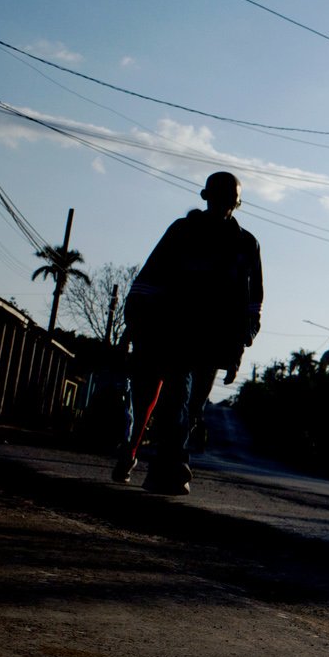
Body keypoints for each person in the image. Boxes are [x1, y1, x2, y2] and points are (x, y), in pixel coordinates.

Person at [112, 172, 263, 494]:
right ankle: (168, 467)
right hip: (174, 333)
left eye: (229, 201)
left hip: (216, 339)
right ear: (206, 197)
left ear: (237, 204)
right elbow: (151, 275)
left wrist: (241, 343)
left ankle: (166, 463)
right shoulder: (182, 231)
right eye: (219, 199)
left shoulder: (246, 244)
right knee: (175, 400)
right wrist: (135, 321)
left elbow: (252, 301)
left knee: (192, 408)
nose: (223, 206)